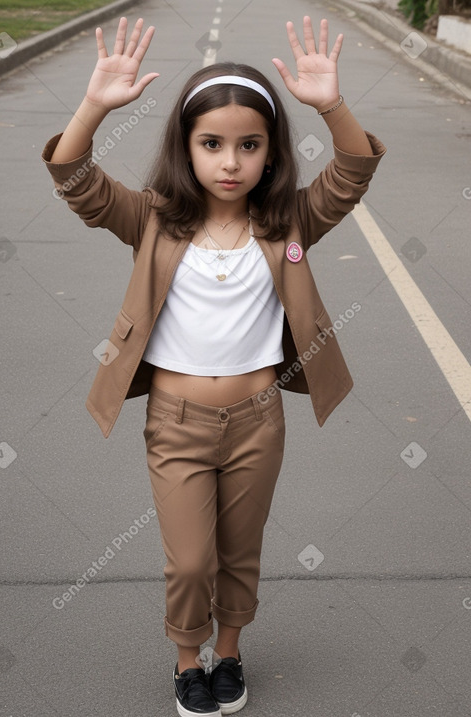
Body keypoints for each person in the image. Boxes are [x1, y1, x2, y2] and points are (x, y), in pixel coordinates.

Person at [42, 15, 386, 717]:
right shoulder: (153, 219)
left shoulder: (289, 220)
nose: (230, 161)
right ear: (186, 148)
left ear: (270, 153)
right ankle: (185, 660)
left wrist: (330, 104)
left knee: (240, 550)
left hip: (259, 419)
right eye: (212, 144)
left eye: (248, 145)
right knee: (191, 559)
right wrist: (95, 106)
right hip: (176, 422)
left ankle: (228, 653)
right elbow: (74, 177)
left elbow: (352, 171)